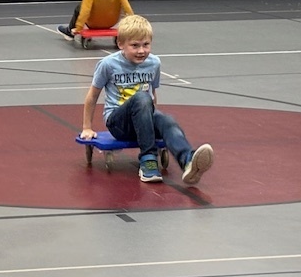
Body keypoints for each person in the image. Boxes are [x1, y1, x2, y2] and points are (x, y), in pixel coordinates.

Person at [80, 15, 214, 184]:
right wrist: (87, 127)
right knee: (142, 97)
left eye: (146, 45)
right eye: (135, 46)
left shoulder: (154, 63)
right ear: (120, 44)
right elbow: (92, 96)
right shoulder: (108, 64)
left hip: (143, 115)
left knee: (167, 120)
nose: (141, 51)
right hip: (119, 123)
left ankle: (187, 160)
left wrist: (155, 120)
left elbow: (153, 94)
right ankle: (148, 159)